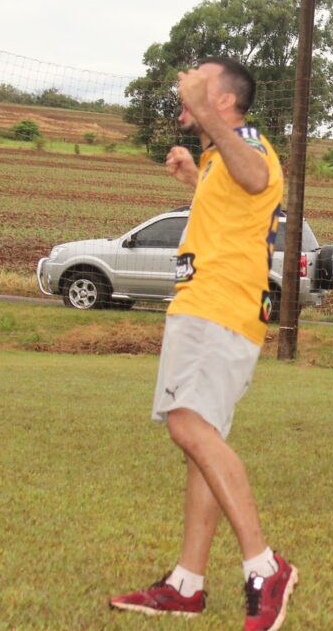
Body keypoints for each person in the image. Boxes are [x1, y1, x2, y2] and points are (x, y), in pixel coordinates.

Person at [109, 57, 296, 630]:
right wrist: (195, 177)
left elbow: (258, 178)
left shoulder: (249, 145)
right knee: (201, 442)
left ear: (225, 101)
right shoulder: (220, 157)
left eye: (198, 83)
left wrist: (207, 122)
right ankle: (187, 583)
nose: (183, 88)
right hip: (209, 307)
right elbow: (236, 212)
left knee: (187, 426)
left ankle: (265, 566)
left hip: (218, 308)